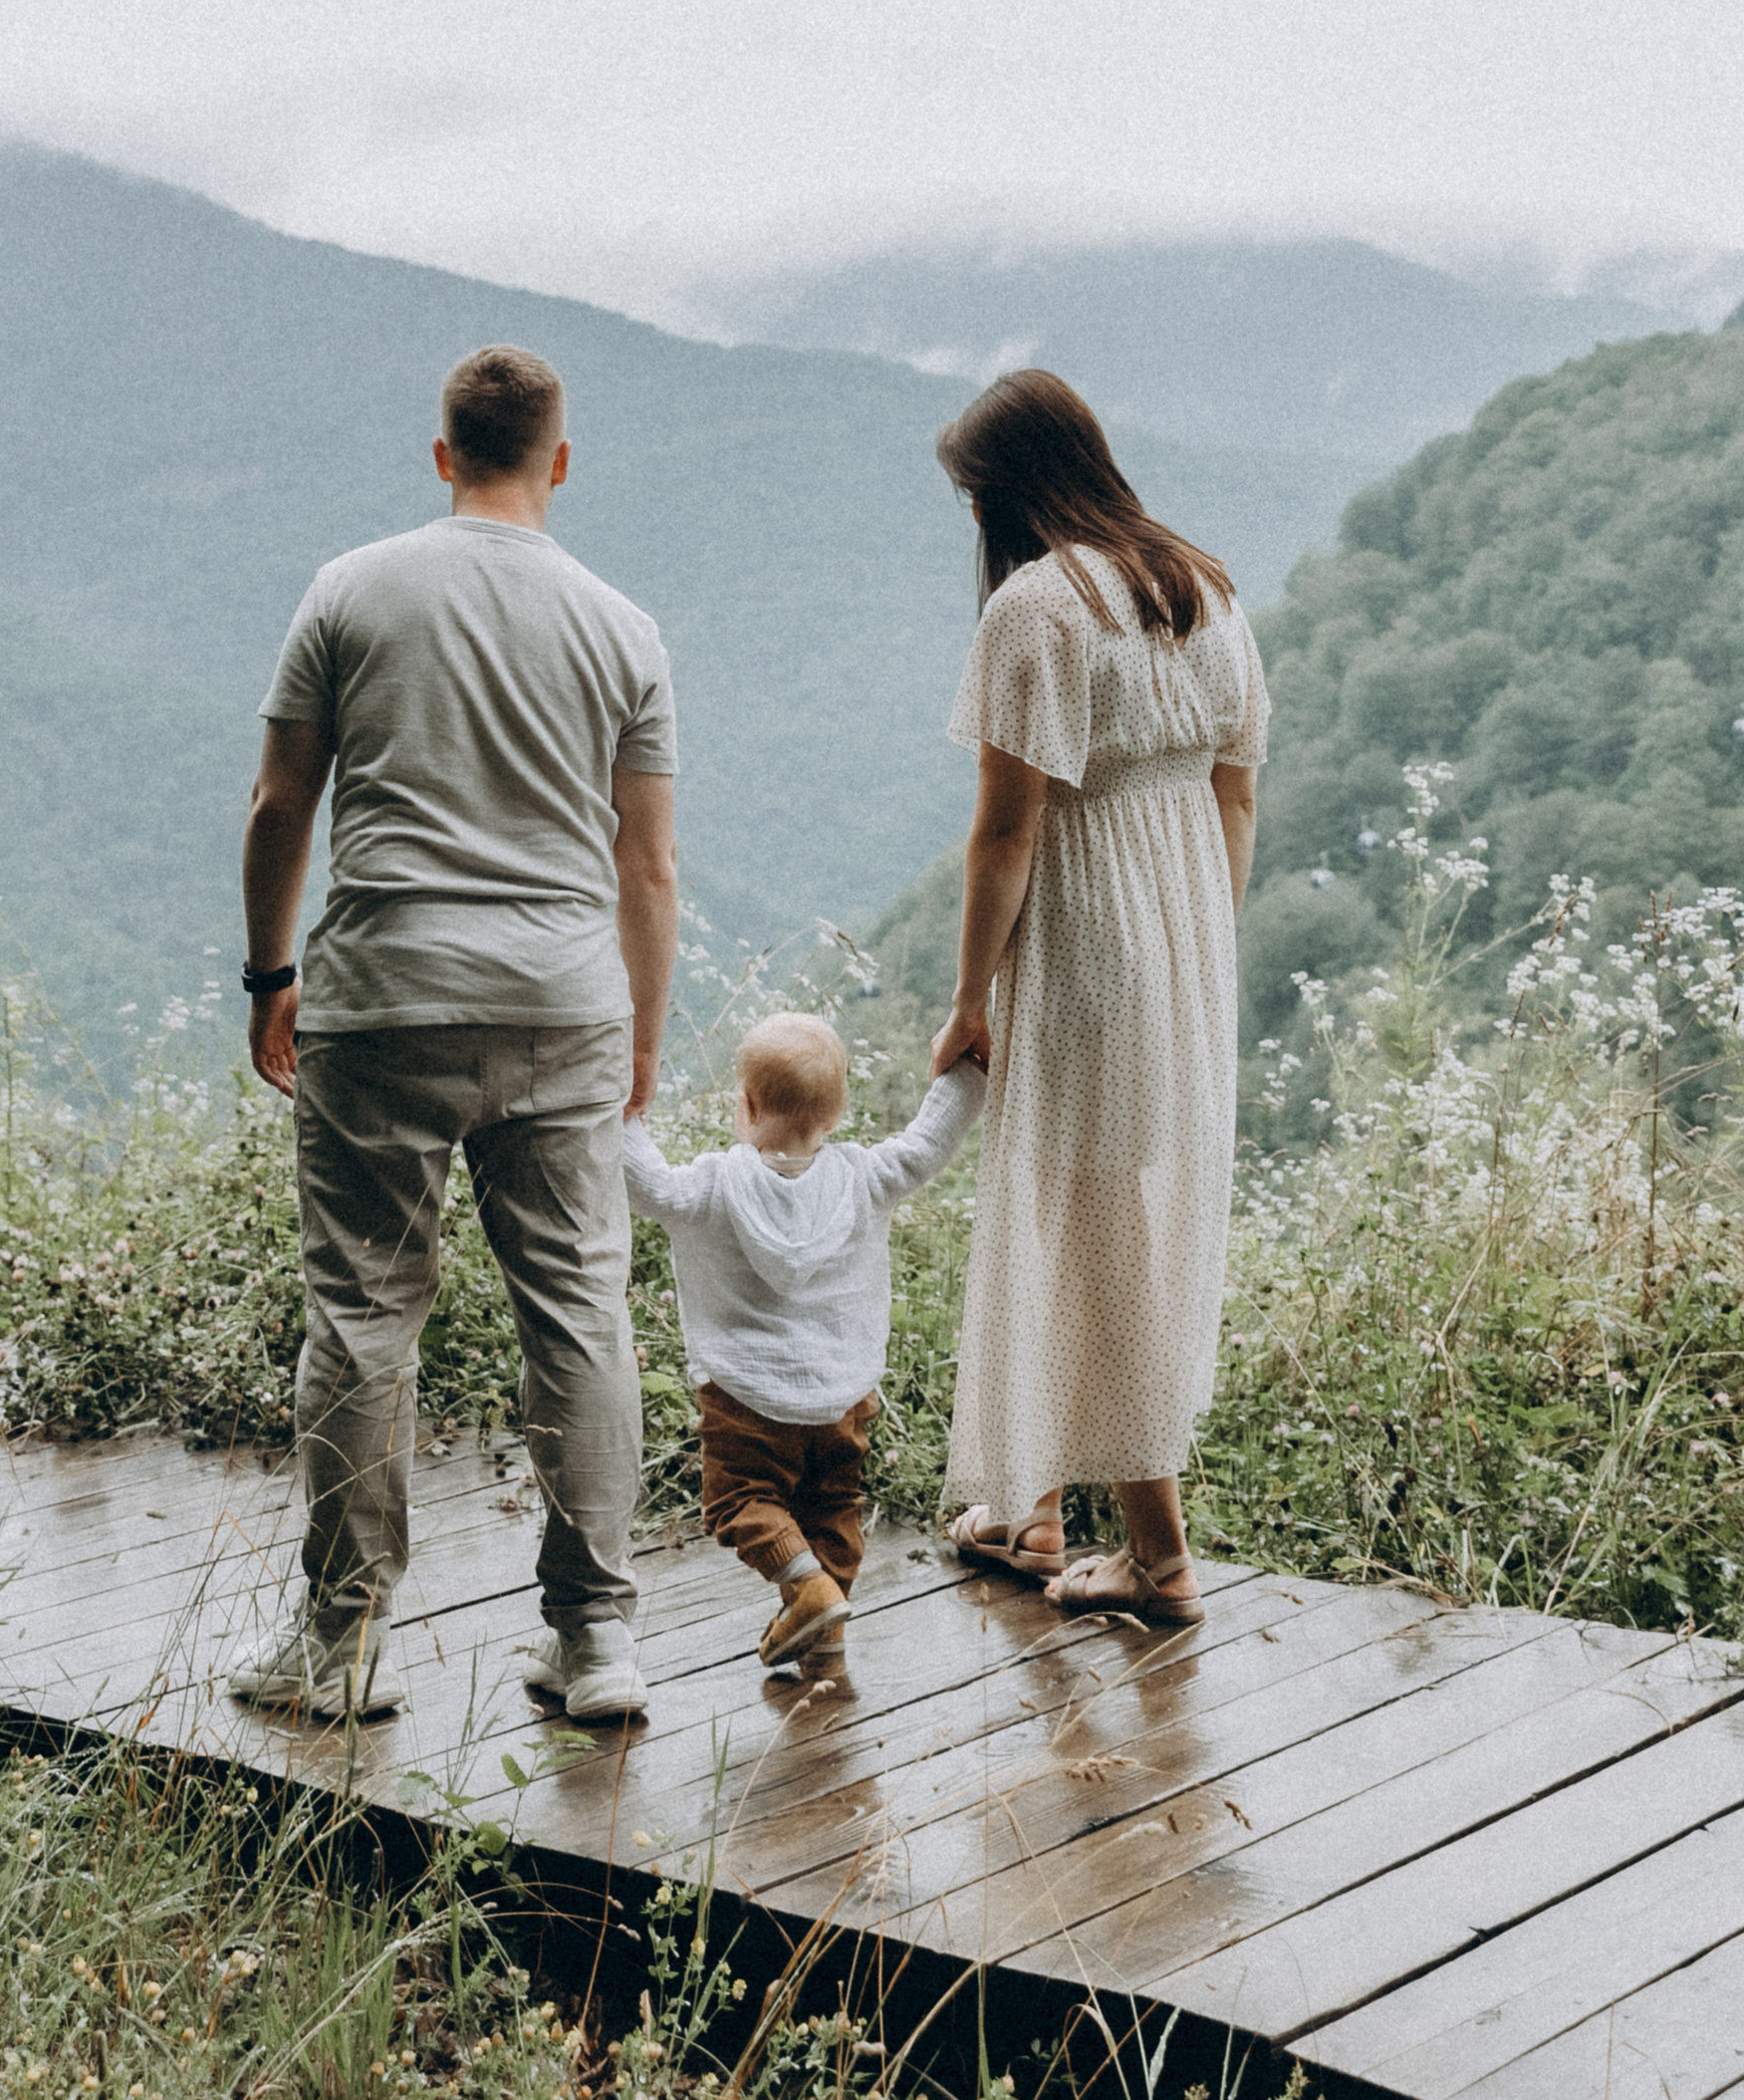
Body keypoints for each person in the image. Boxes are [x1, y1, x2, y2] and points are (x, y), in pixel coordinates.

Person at [230, 343, 679, 1724]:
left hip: (382, 996)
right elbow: (647, 866)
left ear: (442, 455)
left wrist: (269, 974)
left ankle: (341, 1646)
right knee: (580, 1313)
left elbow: (281, 803)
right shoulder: (622, 626)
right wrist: (640, 1032)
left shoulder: (349, 591)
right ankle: (595, 1643)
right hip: (564, 1003)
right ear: (560, 461)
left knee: (363, 1315)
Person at [926, 370, 1267, 1626]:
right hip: (1185, 939)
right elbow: (1236, 789)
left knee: (1096, 1229)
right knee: (1097, 1214)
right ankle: (1030, 1511)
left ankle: (1160, 1558)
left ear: (1003, 491)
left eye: (973, 497)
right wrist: (1205, 944)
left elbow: (1004, 833)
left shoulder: (1035, 610)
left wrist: (968, 995)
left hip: (1087, 939)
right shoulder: (1204, 588)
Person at [623, 1012, 984, 1672]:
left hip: (744, 1393)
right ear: (838, 1112)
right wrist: (969, 1072)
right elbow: (927, 1144)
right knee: (834, 1507)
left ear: (747, 1107)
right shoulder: (866, 1177)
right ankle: (825, 1633)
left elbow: (646, 1182)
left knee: (739, 1502)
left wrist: (617, 1110)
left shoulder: (712, 1187)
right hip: (842, 1393)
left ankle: (807, 1589)